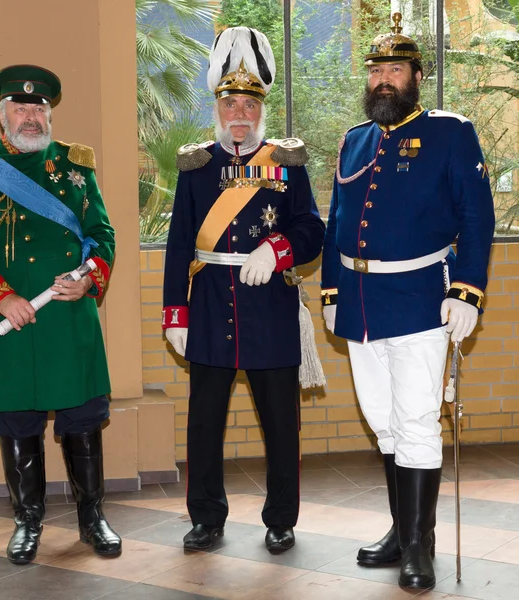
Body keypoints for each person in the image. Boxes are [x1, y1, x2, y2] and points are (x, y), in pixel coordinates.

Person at [321, 13, 495, 590]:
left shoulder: (451, 132)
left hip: (423, 299)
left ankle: (420, 544)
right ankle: (401, 529)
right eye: (375, 71)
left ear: (416, 76)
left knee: (417, 421)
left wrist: (466, 290)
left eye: (394, 69)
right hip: (362, 302)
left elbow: (476, 216)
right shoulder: (354, 140)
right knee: (383, 422)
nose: (383, 80)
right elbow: (337, 222)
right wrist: (330, 289)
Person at [0, 64, 121, 564]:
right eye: (20, 108)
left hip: (68, 316)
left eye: (38, 108)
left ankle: (93, 519)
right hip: (11, 319)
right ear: (3, 115)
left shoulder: (76, 164)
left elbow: (102, 234)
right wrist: (1, 296)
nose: (30, 116)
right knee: (18, 421)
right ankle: (28, 521)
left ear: (50, 114)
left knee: (84, 419)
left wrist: (90, 278)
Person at [162, 26, 325, 553]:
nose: (240, 113)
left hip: (271, 309)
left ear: (261, 108)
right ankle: (206, 517)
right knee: (205, 424)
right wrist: (175, 314)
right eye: (230, 102)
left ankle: (282, 518)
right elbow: (180, 244)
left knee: (281, 424)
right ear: (217, 107)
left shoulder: (288, 163)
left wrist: (277, 250)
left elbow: (311, 230)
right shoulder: (196, 166)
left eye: (249, 103)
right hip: (209, 307)